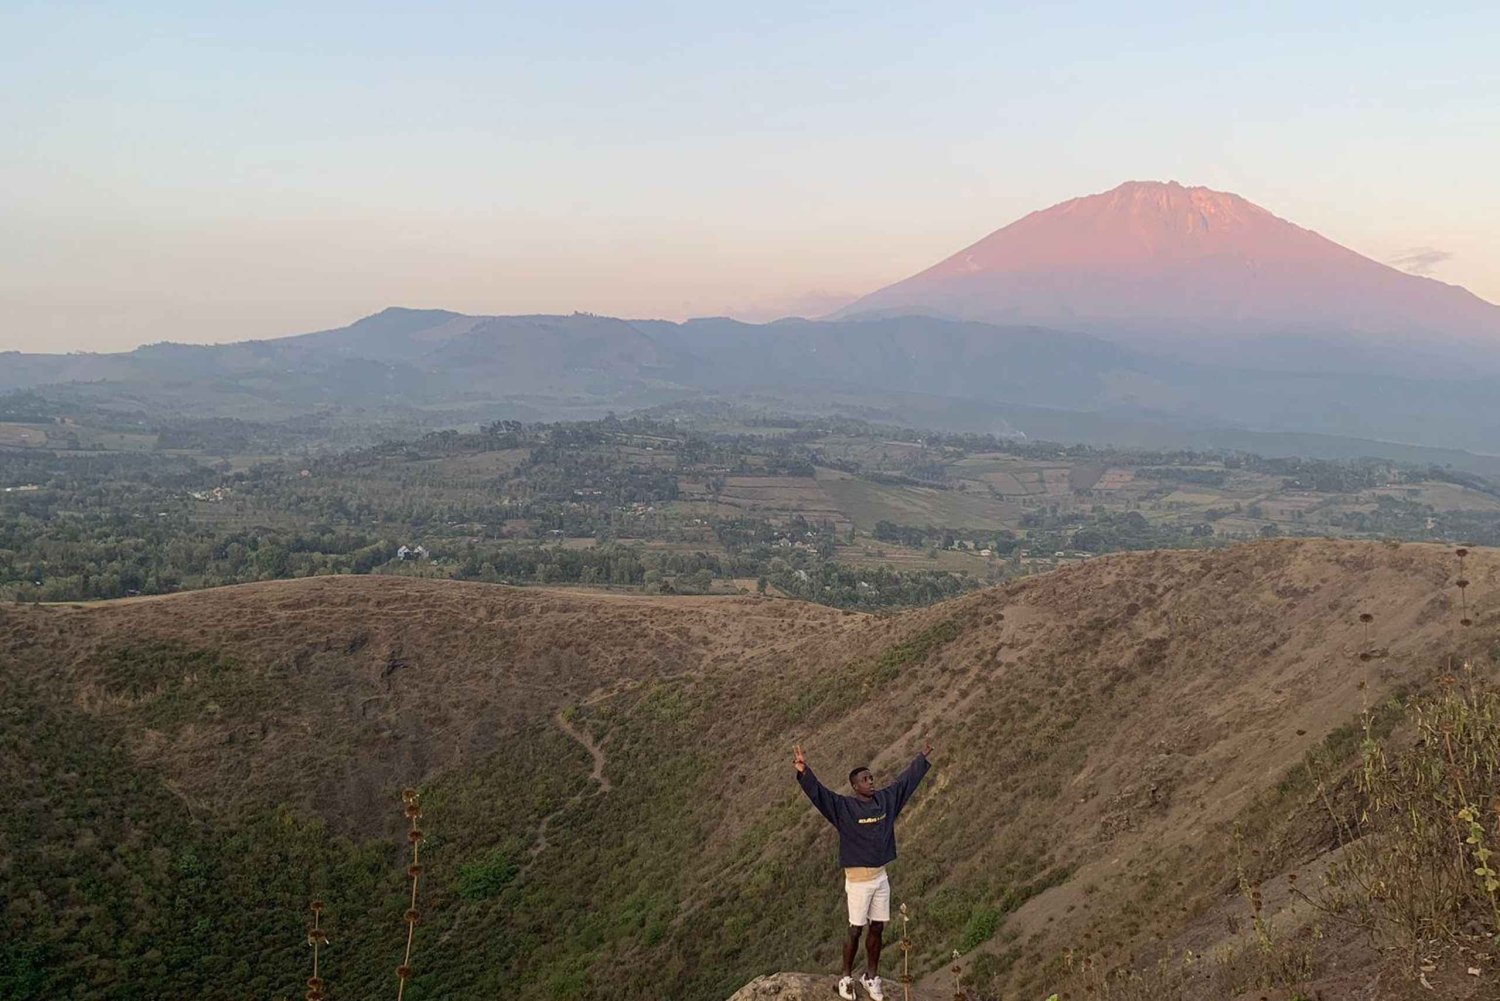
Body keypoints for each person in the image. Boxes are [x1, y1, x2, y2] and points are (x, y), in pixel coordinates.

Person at [794, 740, 933, 1001]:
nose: (871, 782)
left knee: (878, 927)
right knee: (855, 929)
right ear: (855, 786)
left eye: (871, 777)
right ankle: (846, 977)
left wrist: (921, 759)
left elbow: (904, 784)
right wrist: (804, 772)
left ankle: (870, 976)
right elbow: (820, 795)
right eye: (865, 779)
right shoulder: (844, 808)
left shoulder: (885, 802)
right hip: (857, 882)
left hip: (880, 877)